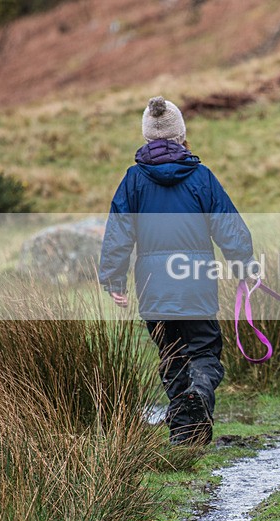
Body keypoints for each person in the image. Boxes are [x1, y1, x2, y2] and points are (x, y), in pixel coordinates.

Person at [99, 96, 259, 445]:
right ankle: (197, 401)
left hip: (153, 288)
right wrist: (245, 266)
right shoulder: (201, 177)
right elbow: (228, 226)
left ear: (147, 136)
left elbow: (118, 232)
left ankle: (184, 434)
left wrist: (114, 278)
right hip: (196, 285)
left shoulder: (133, 181)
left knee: (171, 356)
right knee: (204, 352)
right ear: (181, 134)